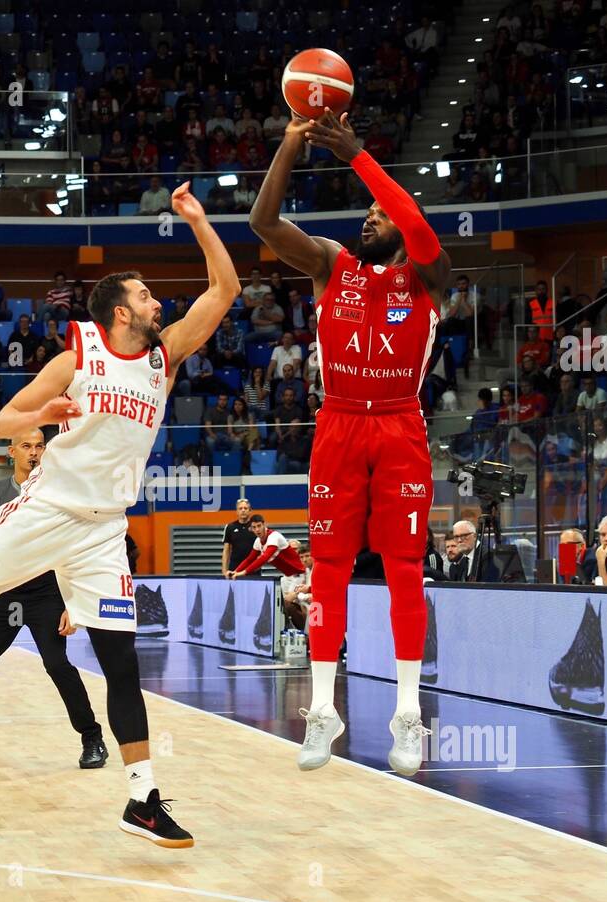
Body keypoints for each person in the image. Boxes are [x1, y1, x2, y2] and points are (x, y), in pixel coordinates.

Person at [0, 181, 239, 849]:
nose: (158, 303)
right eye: (146, 296)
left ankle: (142, 798)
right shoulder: (77, 357)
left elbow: (223, 291)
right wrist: (44, 413)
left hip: (103, 528)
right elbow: (4, 420)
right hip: (47, 508)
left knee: (120, 659)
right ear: (120, 311)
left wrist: (200, 221)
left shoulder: (163, 357)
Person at [251, 107, 449, 776]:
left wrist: (359, 155)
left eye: (380, 214)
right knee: (327, 568)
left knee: (403, 571)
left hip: (399, 424)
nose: (370, 218)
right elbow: (264, 223)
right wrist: (287, 148)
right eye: (366, 210)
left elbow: (418, 229)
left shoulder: (427, 275)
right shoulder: (332, 263)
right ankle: (323, 711)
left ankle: (407, 713)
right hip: (337, 422)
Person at [0, 430, 109, 770]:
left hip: (46, 594)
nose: (34, 453)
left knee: (57, 665)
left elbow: (72, 550)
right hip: (4, 593)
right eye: (26, 446)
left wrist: (71, 603)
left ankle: (92, 738)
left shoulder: (59, 495)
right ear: (12, 452)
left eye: (39, 446)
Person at [228, 515, 306, 579]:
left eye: (259, 526)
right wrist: (235, 571)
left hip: (301, 573)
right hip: (288, 576)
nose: (257, 530)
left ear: (264, 525)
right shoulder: (258, 541)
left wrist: (243, 572)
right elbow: (249, 559)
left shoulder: (274, 537)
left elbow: (264, 558)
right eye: (254, 527)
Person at [220, 498, 257, 576]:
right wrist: (224, 571)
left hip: (253, 569)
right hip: (235, 569)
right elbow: (226, 550)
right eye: (240, 508)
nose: (243, 510)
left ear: (250, 511)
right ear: (236, 511)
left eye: (245, 508)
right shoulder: (230, 527)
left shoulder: (256, 527)